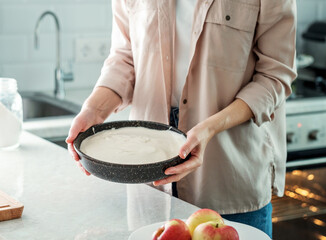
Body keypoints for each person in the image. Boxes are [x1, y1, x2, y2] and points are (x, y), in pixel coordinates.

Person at [66, 0, 297, 238]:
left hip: (228, 176)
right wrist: (94, 109)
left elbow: (275, 75)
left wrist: (210, 127)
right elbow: (125, 57)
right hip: (150, 186)